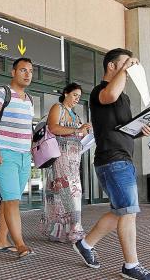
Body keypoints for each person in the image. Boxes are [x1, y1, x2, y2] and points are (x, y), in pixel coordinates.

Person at [72, 48, 150, 280]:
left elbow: (124, 130)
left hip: (123, 158)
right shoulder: (100, 92)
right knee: (128, 212)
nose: (129, 70)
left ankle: (86, 244)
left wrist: (141, 131)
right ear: (111, 66)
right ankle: (131, 265)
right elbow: (109, 96)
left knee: (120, 211)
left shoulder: (124, 97)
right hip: (112, 159)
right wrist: (128, 66)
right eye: (125, 64)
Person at [0, 58, 34, 257]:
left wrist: (30, 153)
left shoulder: (29, 100)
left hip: (23, 156)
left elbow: (27, 129)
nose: (27, 74)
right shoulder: (1, 93)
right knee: (12, 200)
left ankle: (1, 241)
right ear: (13, 72)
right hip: (5, 155)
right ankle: (20, 244)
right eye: (23, 70)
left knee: (9, 200)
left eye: (30, 71)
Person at [41, 83, 91, 243]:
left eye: (79, 96)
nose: (77, 98)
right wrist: (77, 130)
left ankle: (66, 230)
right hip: (61, 157)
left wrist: (85, 131)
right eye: (75, 95)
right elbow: (53, 128)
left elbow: (76, 134)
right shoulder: (58, 108)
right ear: (66, 93)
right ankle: (73, 230)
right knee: (67, 192)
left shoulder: (75, 115)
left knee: (72, 191)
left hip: (74, 158)